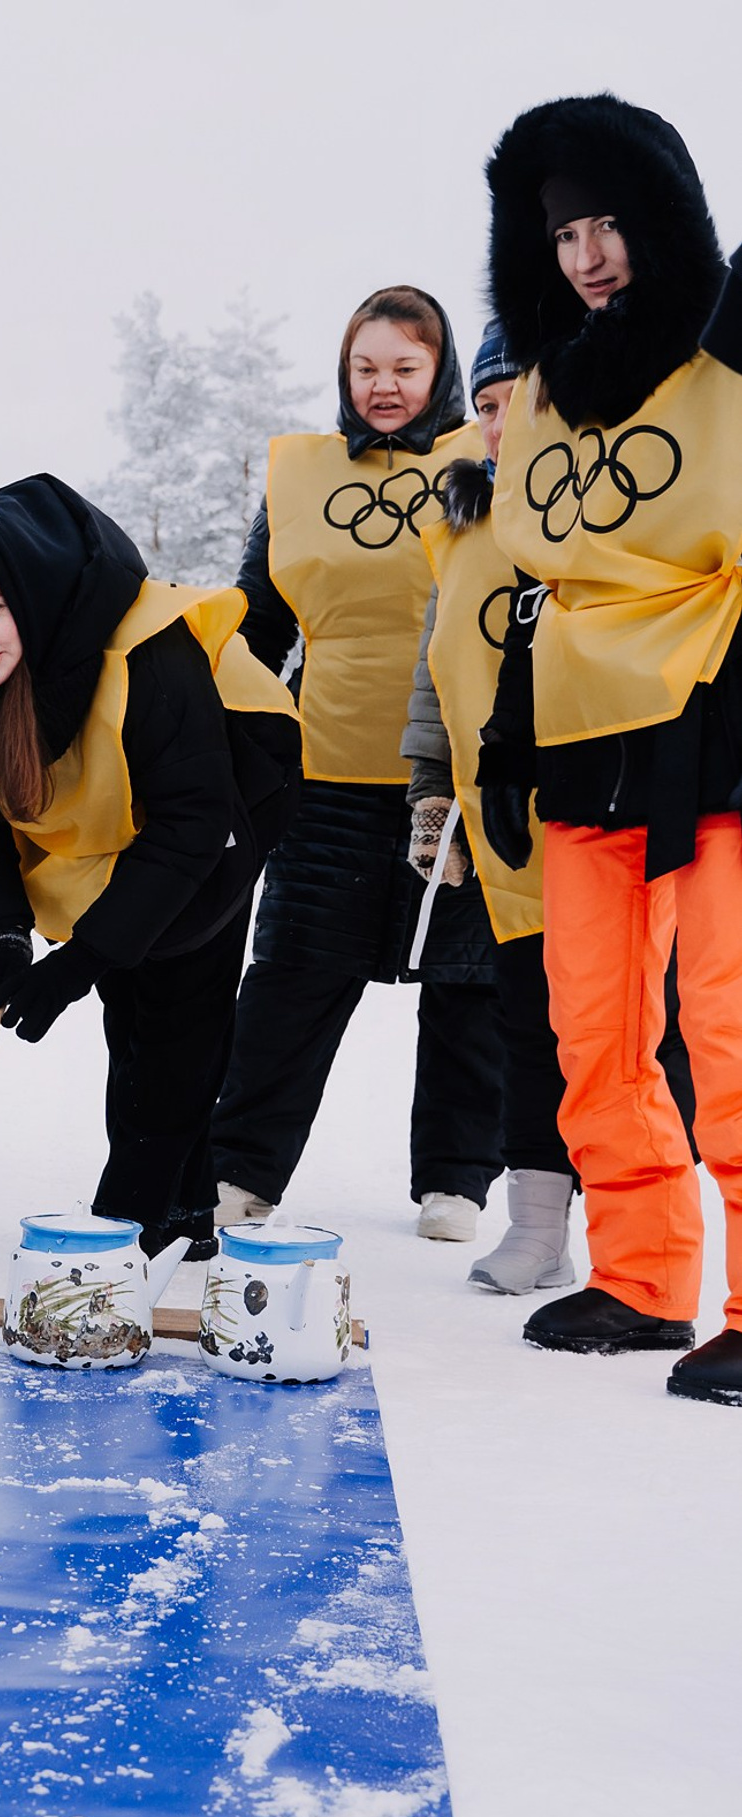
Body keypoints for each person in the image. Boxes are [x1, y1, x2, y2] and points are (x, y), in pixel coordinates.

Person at [478, 94, 742, 1400]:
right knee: (594, 1029)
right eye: (564, 230)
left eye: (611, 222)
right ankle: (642, 1278)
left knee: (731, 1027)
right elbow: (535, 579)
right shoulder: (540, 388)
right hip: (584, 731)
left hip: (720, 714)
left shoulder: (731, 352)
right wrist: (504, 737)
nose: (587, 251)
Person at [0, 475, 300, 1254]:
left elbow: (190, 827)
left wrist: (80, 961)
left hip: (226, 802)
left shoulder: (146, 651)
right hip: (106, 816)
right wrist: (2, 936)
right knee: (134, 1004)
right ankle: (185, 1219)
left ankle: (129, 1236)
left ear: (29, 590)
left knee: (175, 1010)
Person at [404, 320, 699, 1294]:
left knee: (632, 1033)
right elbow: (436, 671)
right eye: (484, 406)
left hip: (616, 814)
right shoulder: (464, 525)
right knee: (528, 1020)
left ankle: (646, 1242)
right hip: (506, 828)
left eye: (517, 402)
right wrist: (430, 790)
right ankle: (538, 1230)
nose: (498, 424)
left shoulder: (615, 507)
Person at [212, 287, 503, 1241]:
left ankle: (457, 1178)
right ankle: (242, 1169)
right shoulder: (299, 476)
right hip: (325, 765)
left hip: (458, 770)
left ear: (440, 373)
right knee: (292, 974)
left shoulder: (490, 456)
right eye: (365, 368)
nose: (383, 387)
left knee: (469, 982)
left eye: (404, 369)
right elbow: (261, 614)